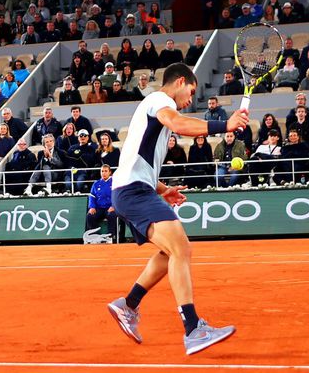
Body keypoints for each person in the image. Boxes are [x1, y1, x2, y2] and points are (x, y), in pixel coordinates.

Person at [107, 63, 246, 354]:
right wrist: (225, 125)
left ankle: (128, 305)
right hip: (132, 191)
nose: (190, 99)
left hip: (135, 189)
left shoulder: (153, 109)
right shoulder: (161, 100)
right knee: (182, 249)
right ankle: (193, 328)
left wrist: (163, 189)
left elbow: (137, 161)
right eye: (191, 91)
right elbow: (180, 125)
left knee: (170, 250)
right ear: (180, 82)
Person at [86, 164, 120, 241]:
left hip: (110, 207)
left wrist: (114, 206)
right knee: (90, 216)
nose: (103, 173)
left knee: (112, 215)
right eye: (102, 171)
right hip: (99, 208)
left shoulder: (115, 182)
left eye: (105, 171)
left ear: (110, 172)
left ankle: (110, 236)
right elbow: (92, 197)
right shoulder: (96, 184)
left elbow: (118, 196)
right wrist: (92, 207)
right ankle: (95, 236)